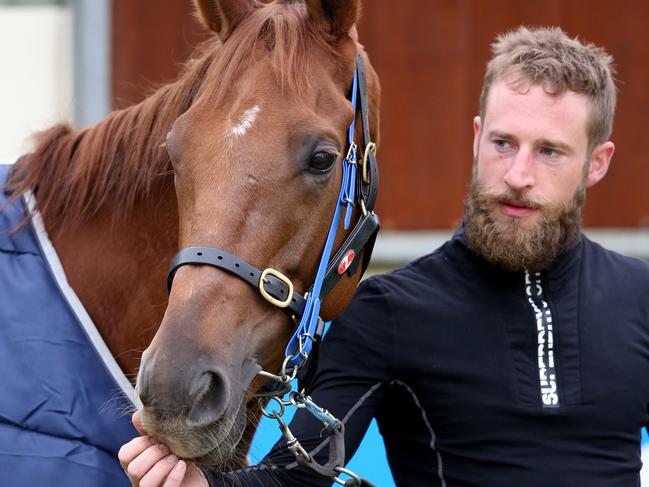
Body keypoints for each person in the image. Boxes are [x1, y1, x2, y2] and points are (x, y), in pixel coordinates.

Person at [119, 26, 649, 486]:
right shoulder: (386, 313)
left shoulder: (639, 296)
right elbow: (292, 478)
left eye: (549, 151)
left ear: (597, 163)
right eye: (503, 143)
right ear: (476, 138)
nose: (517, 175)